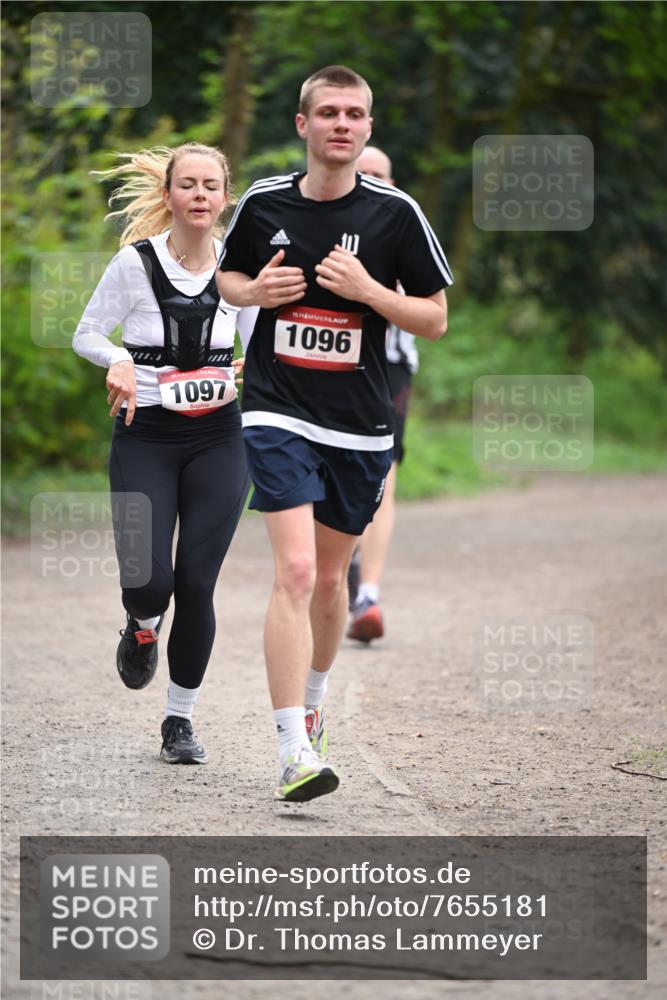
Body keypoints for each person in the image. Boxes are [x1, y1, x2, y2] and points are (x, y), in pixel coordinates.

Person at [218, 65, 453, 803]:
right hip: (276, 407)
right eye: (328, 112)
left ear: (368, 127)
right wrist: (256, 291)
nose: (341, 124)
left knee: (328, 581)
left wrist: (369, 292)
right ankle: (293, 749)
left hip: (358, 423)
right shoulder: (263, 203)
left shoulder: (396, 213)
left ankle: (314, 705)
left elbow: (434, 319)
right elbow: (227, 279)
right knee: (293, 571)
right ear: (303, 124)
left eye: (354, 113)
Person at [73, 143, 251, 765]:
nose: (199, 195)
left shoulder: (240, 268)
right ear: (169, 195)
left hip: (220, 438)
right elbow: (87, 333)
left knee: (197, 583)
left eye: (211, 185)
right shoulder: (135, 263)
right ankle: (142, 625)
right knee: (149, 581)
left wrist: (257, 371)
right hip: (144, 433)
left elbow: (262, 347)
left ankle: (179, 721)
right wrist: (119, 358)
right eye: (188, 184)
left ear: (224, 197)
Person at [346, 146, 420, 643]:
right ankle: (341, 567)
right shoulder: (320, 218)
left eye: (380, 175)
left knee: (382, 476)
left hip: (388, 367)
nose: (372, 180)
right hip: (325, 363)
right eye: (363, 173)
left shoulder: (405, 227)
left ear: (392, 183)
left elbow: (427, 309)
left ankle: (368, 595)